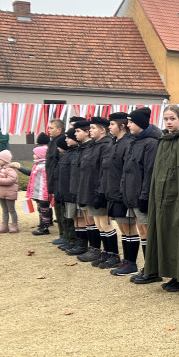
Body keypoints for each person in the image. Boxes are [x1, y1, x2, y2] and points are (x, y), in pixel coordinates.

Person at [144, 105, 179, 291]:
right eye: (166, 119)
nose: (169, 122)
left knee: (178, 235)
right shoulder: (163, 141)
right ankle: (173, 274)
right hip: (162, 198)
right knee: (164, 235)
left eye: (173, 118)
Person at [121, 107, 163, 280]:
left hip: (142, 195)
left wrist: (144, 196)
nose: (128, 125)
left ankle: (152, 270)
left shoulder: (151, 143)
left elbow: (149, 172)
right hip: (133, 194)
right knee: (141, 230)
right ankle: (148, 267)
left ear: (140, 124)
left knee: (147, 232)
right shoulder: (135, 141)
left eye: (131, 122)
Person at [95, 111, 134, 270]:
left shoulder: (127, 143)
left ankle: (130, 262)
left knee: (129, 228)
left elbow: (126, 170)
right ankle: (123, 259)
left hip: (121, 192)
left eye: (112, 124)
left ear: (122, 126)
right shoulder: (113, 143)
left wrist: (122, 191)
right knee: (123, 229)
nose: (109, 126)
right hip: (111, 192)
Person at [75, 117, 112, 263]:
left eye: (93, 128)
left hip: (98, 190)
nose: (90, 130)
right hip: (88, 188)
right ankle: (98, 250)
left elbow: (102, 171)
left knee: (104, 224)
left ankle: (109, 253)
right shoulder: (93, 145)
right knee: (96, 223)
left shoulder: (106, 145)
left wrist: (100, 191)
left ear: (103, 130)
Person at [66, 120, 93, 256]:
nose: (75, 134)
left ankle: (87, 246)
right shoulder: (80, 148)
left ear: (87, 132)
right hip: (76, 188)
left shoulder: (89, 148)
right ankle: (79, 243)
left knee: (87, 219)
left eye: (78, 131)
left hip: (85, 189)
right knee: (78, 217)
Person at [55, 131, 80, 252]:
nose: (66, 140)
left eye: (69, 138)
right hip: (65, 192)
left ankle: (74, 240)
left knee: (73, 218)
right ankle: (70, 239)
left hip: (71, 192)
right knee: (69, 217)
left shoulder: (75, 153)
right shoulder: (68, 154)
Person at [45, 119, 67, 244]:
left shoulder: (61, 141)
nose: (49, 130)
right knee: (58, 209)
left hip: (59, 181)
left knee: (62, 210)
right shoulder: (52, 142)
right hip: (53, 179)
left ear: (59, 129)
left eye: (51, 128)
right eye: (48, 128)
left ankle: (66, 235)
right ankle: (62, 233)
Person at [0, 150, 20, 234]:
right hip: (1, 193)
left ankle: (14, 225)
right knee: (4, 210)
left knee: (11, 210)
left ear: (5, 160)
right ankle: (4, 225)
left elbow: (11, 179)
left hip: (9, 193)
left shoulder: (10, 169)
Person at [26, 144, 51, 234]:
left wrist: (45, 193)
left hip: (42, 193)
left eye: (35, 154)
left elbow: (45, 181)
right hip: (37, 192)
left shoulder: (44, 166)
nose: (33, 155)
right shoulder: (37, 165)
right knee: (40, 209)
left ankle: (45, 227)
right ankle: (42, 224)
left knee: (44, 210)